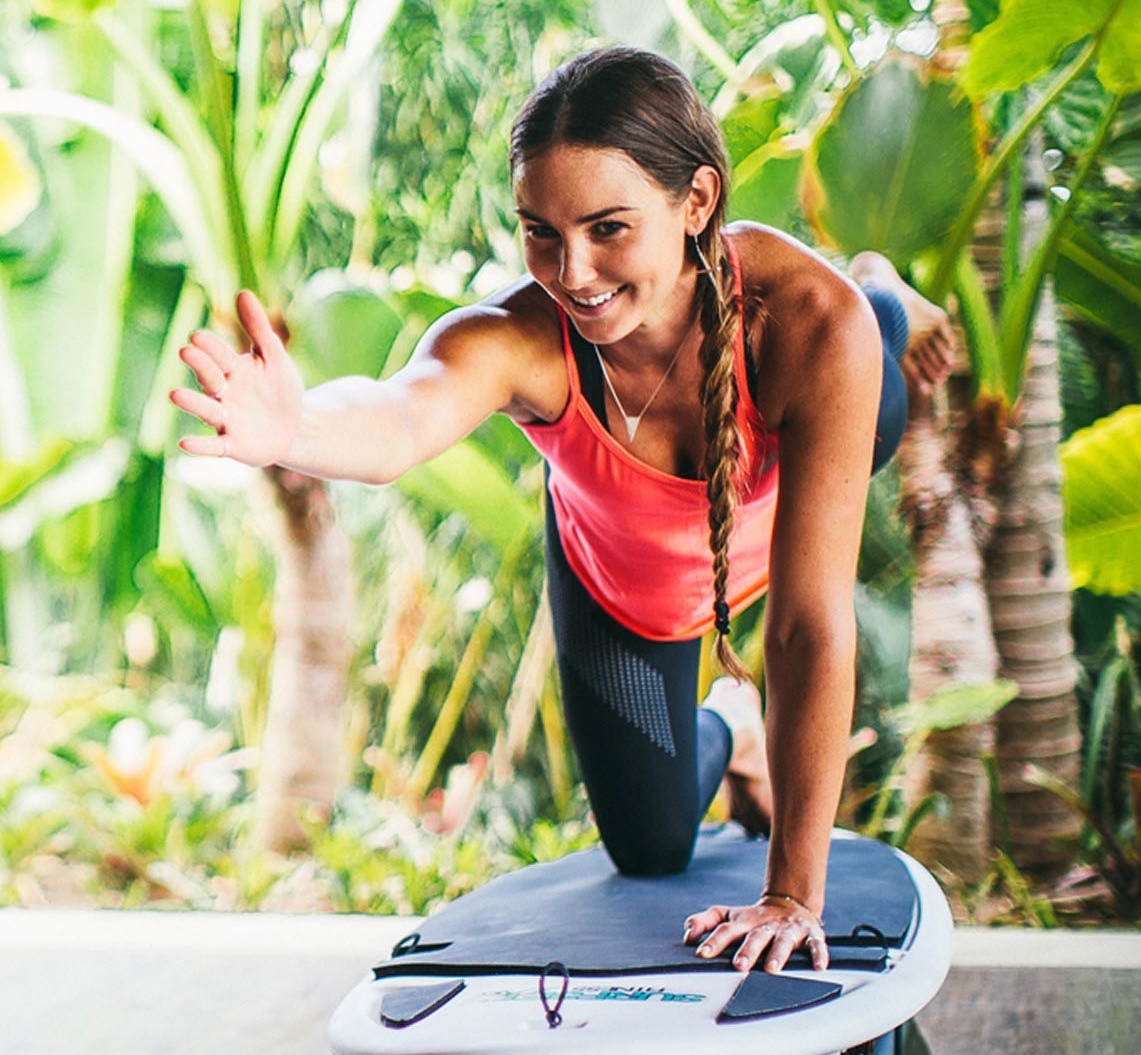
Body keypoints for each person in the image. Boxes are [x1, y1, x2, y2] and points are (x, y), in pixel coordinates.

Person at [170, 47, 951, 975]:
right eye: (540, 232)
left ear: (696, 202)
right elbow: (398, 415)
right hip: (629, 582)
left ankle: (881, 285)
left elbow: (809, 629)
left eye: (609, 228)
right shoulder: (522, 338)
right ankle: (729, 732)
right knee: (651, 847)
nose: (572, 271)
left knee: (872, 357)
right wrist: (294, 426)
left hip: (808, 450)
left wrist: (790, 893)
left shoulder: (804, 324)